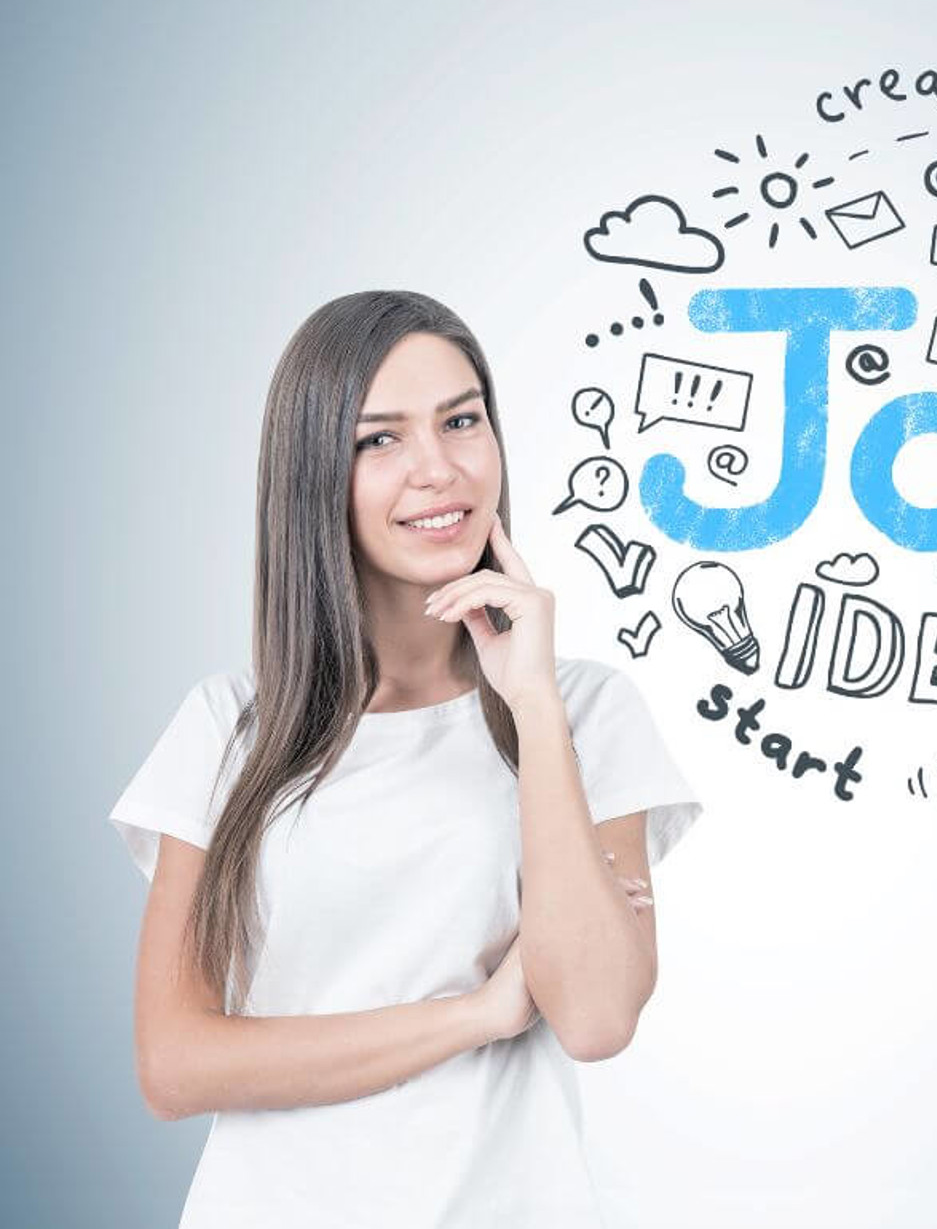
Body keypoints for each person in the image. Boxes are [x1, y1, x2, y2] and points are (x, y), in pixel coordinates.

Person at [107, 290, 704, 1227]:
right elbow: (175, 1064)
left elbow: (594, 1017)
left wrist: (534, 704)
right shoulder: (229, 730)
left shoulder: (585, 709)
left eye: (461, 420)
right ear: (316, 477)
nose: (438, 469)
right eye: (378, 440)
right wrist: (479, 1013)